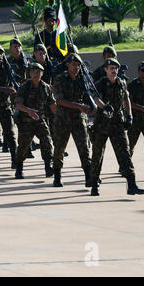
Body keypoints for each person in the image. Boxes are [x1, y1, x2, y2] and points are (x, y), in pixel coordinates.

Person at [90, 58, 144, 196]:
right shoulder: (101, 83)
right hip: (102, 124)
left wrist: (130, 116)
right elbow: (95, 98)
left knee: (125, 154)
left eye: (116, 68)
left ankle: (131, 184)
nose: (114, 70)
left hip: (117, 125)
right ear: (106, 70)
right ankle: (94, 184)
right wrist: (104, 106)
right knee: (97, 155)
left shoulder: (122, 83)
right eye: (111, 68)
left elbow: (126, 99)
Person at [52, 53, 94, 187]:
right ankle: (57, 176)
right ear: (67, 65)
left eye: (78, 65)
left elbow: (88, 98)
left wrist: (93, 106)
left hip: (78, 119)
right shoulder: (60, 78)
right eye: (73, 64)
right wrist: (80, 106)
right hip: (62, 118)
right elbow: (59, 100)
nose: (76, 67)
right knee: (59, 148)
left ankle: (88, 176)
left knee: (84, 148)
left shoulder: (83, 80)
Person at [14, 62, 56, 179]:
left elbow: (52, 105)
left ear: (42, 73)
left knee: (47, 141)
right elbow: (18, 104)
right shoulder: (24, 87)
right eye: (33, 71)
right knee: (23, 146)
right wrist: (28, 111)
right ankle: (19, 168)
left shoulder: (46, 87)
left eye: (38, 71)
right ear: (29, 73)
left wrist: (59, 116)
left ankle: (48, 167)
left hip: (40, 120)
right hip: (26, 121)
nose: (36, 73)